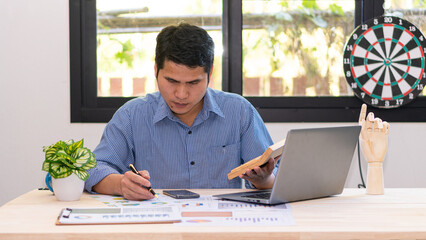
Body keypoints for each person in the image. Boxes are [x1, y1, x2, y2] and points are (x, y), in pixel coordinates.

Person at [84, 23, 278, 200]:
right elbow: (94, 169)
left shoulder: (239, 112)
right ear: (155, 70)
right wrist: (121, 184)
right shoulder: (132, 116)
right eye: (172, 81)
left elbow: (276, 177)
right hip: (157, 227)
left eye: (193, 83)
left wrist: (263, 180)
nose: (181, 94)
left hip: (221, 225)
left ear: (209, 74)